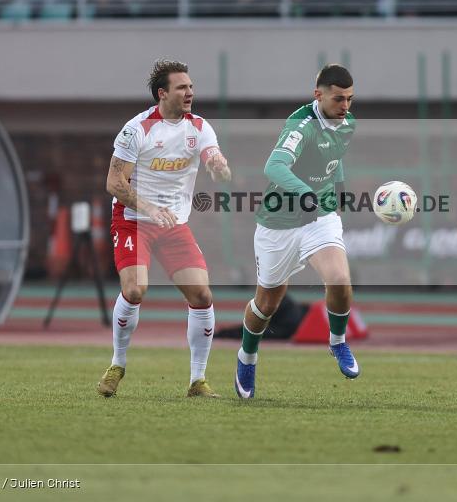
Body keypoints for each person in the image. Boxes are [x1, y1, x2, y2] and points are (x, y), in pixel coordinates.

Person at [97, 59, 232, 398]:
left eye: (191, 86)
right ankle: (117, 365)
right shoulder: (137, 129)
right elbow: (114, 183)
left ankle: (197, 381)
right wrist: (151, 208)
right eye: (182, 87)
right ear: (163, 93)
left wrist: (218, 167)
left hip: (173, 225)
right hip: (133, 221)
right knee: (135, 291)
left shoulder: (200, 128)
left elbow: (214, 161)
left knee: (202, 295)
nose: (190, 92)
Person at [234, 64, 358, 399]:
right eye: (338, 99)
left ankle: (338, 342)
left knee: (339, 281)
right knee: (266, 305)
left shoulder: (347, 123)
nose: (345, 106)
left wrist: (341, 187)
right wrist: (303, 191)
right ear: (318, 95)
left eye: (349, 99)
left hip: (320, 216)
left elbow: (335, 157)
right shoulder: (300, 125)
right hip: (278, 224)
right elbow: (273, 166)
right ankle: (247, 356)